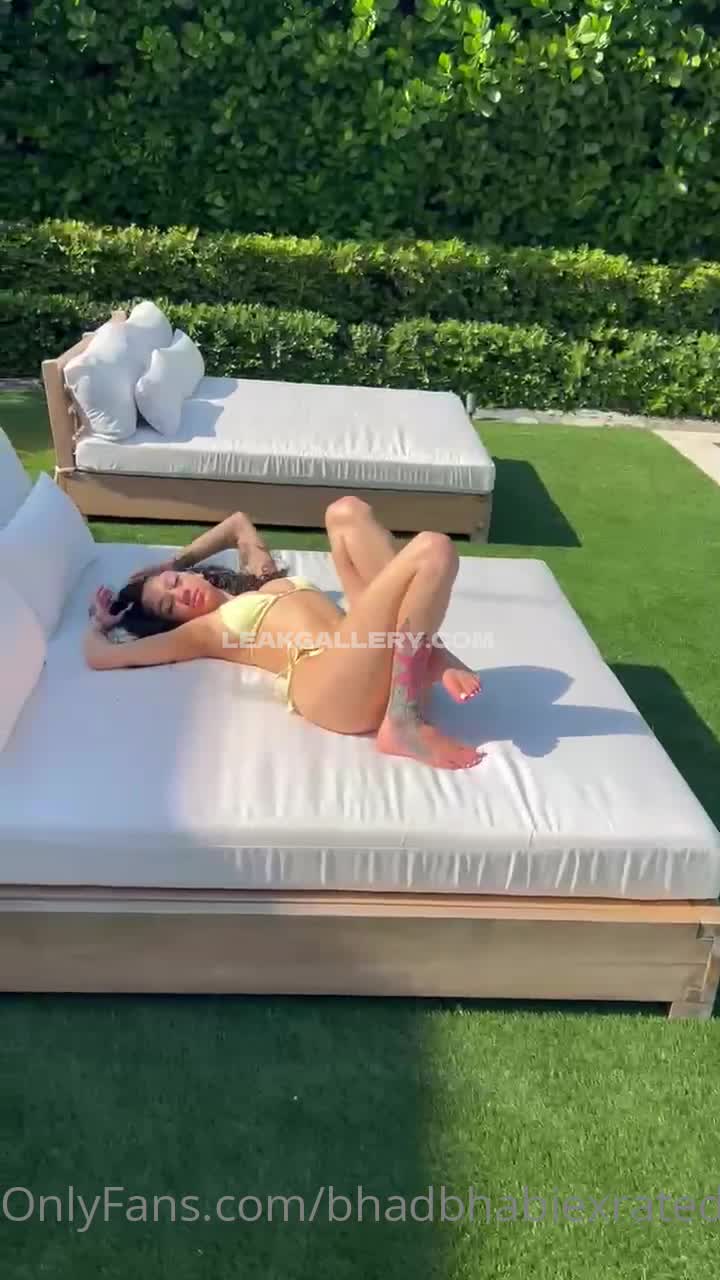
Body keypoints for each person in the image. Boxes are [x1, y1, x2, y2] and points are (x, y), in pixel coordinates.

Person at [86, 498, 485, 770]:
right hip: (326, 682)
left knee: (345, 512)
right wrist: (100, 625)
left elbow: (238, 524)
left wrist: (172, 560)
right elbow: (101, 656)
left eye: (174, 583)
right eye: (169, 606)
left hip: (361, 652)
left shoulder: (260, 580)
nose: (180, 594)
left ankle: (425, 657)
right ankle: (405, 714)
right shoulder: (203, 632)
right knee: (432, 549)